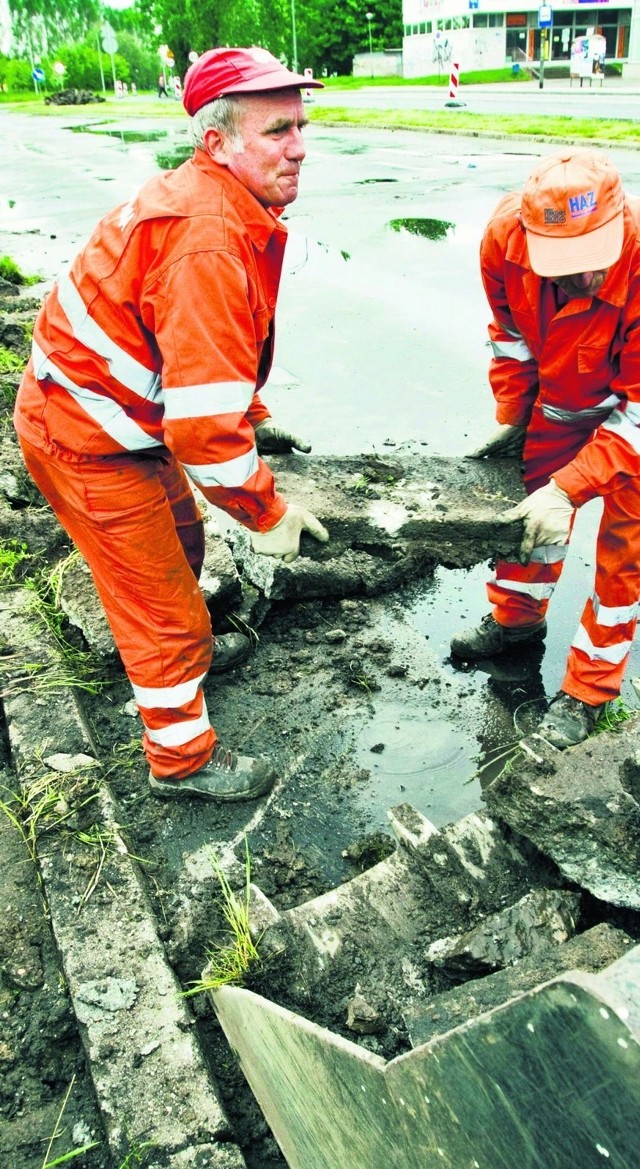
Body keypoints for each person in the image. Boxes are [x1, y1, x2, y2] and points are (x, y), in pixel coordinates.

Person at [13, 46, 328, 802]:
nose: (300, 147)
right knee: (163, 609)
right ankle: (181, 759)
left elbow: (199, 356)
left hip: (119, 421)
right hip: (84, 437)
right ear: (216, 142)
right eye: (278, 130)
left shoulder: (218, 201)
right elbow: (200, 436)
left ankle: (185, 664)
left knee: (186, 546)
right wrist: (268, 510)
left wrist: (247, 413)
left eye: (300, 126)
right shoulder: (209, 236)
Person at [450, 148, 640, 750]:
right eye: (560, 264)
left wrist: (572, 486)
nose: (576, 279)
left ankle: (588, 689)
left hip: (630, 418)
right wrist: (514, 418)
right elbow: (510, 340)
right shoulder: (503, 241)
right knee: (532, 516)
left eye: (590, 265)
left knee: (623, 556)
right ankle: (515, 624)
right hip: (558, 404)